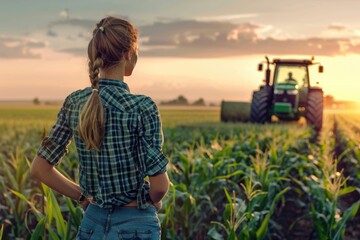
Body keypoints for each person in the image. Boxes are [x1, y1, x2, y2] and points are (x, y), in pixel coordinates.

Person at [30, 16, 170, 240]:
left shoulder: (75, 102)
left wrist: (83, 197)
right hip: (136, 225)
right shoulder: (142, 107)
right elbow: (160, 186)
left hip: (91, 223)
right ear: (128, 54)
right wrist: (153, 199)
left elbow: (39, 168)